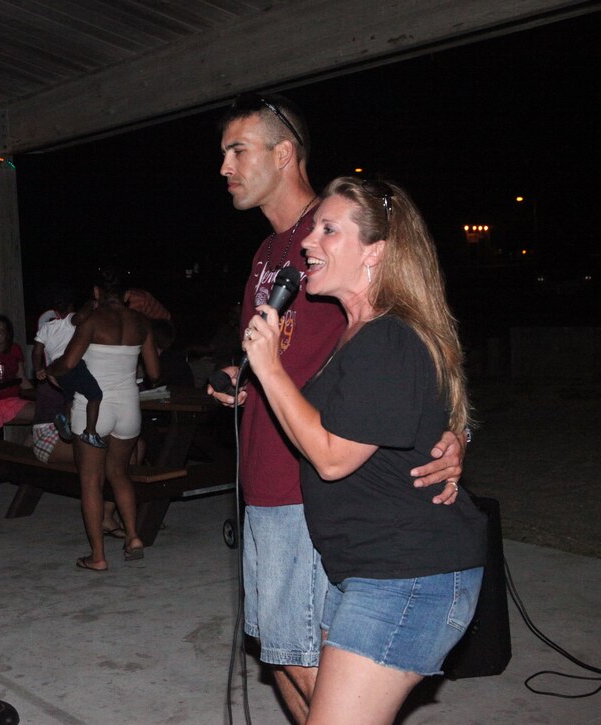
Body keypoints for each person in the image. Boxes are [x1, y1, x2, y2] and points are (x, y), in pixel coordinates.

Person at [207, 92, 465, 721]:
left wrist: (455, 429)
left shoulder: (337, 247)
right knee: (285, 656)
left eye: (237, 150)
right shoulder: (270, 257)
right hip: (266, 478)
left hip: (315, 492)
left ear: (285, 152)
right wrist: (241, 374)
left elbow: (416, 344)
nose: (224, 168)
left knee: (311, 663)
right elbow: (306, 363)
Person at [242, 176, 487, 721]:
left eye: (329, 230)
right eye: (313, 228)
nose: (309, 241)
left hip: (409, 575)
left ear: (376, 252)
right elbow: (418, 414)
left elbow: (332, 457)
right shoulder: (357, 335)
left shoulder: (389, 336)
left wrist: (268, 367)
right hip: (365, 570)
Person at [46, 268, 161, 571]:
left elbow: (68, 363)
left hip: (94, 409)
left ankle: (97, 556)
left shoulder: (92, 321)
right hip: (128, 409)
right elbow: (154, 373)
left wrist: (50, 369)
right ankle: (133, 536)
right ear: (126, 295)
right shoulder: (141, 323)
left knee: (91, 482)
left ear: (97, 293)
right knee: (120, 473)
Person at [33, 296, 107, 448]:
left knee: (70, 397)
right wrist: (90, 303)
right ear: (70, 310)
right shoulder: (70, 320)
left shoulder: (46, 328)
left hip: (57, 371)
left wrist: (38, 369)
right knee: (95, 395)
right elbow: (80, 317)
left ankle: (65, 419)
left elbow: (36, 351)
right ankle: (90, 432)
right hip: (72, 364)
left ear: (55, 312)